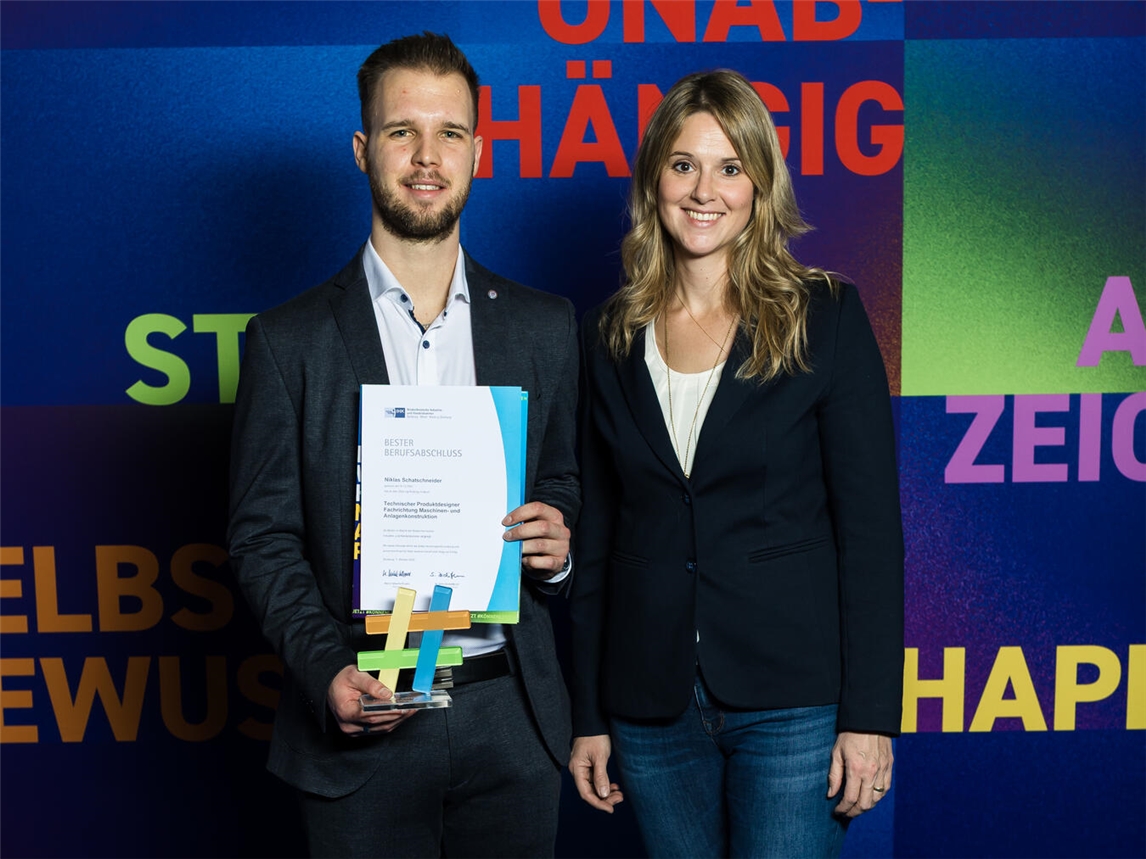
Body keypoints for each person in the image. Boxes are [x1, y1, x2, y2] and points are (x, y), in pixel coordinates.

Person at [227, 32, 579, 859]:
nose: (427, 157)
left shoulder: (545, 327)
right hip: (364, 713)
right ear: (362, 149)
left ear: (477, 152)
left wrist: (558, 546)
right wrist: (327, 669)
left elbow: (565, 482)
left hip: (511, 720)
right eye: (401, 131)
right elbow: (261, 537)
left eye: (449, 132)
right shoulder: (286, 341)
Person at [568, 69, 904, 858]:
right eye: (683, 164)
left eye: (729, 167)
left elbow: (870, 534)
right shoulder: (607, 334)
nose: (704, 190)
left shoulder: (825, 317)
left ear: (759, 185)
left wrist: (870, 715)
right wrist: (588, 713)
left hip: (792, 701)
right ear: (654, 178)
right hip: (648, 704)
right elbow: (596, 537)